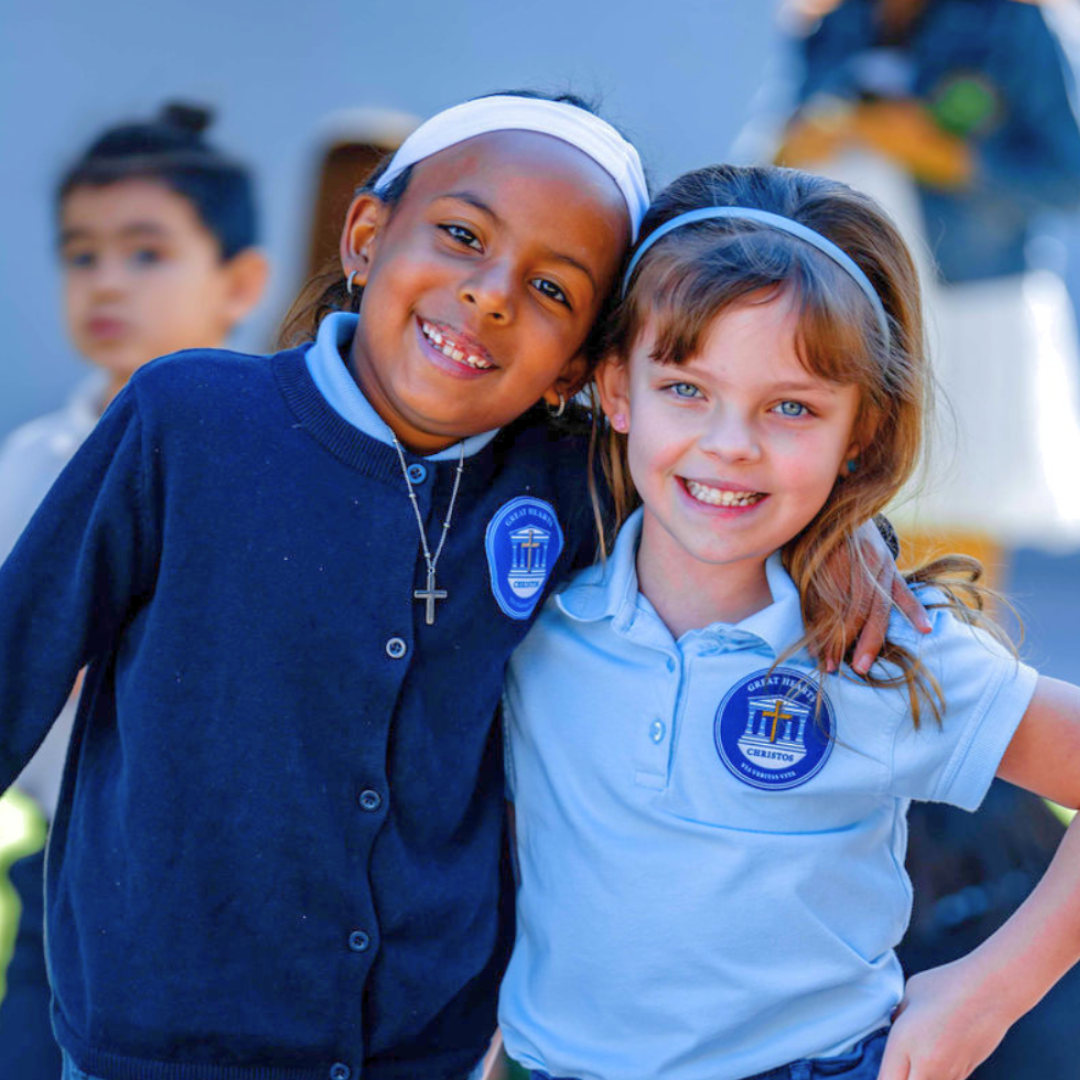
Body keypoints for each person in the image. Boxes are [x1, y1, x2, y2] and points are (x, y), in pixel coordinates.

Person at [0, 91, 917, 1080]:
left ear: (581, 370)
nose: (490, 293)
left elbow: (731, 487)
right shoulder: (188, 423)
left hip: (426, 1054)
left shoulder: (575, 485)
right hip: (156, 1046)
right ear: (365, 234)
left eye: (555, 290)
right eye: (461, 235)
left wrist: (850, 534)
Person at [498, 163, 1080, 1080]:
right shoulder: (531, 602)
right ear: (614, 388)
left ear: (863, 434)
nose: (732, 442)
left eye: (792, 407)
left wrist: (989, 991)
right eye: (688, 389)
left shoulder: (881, 647)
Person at [0, 101, 267, 1079]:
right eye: (82, 255)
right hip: (67, 886)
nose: (108, 280)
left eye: (147, 253)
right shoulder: (27, 470)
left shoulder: (274, 465)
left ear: (240, 280)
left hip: (238, 893)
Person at [776, 0, 1080, 575]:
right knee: (841, 506)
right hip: (847, 303)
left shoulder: (1011, 22)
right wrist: (797, 145)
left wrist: (948, 158)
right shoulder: (835, 23)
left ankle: (954, 661)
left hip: (972, 307)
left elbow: (1068, 177)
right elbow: (769, 159)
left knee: (960, 523)